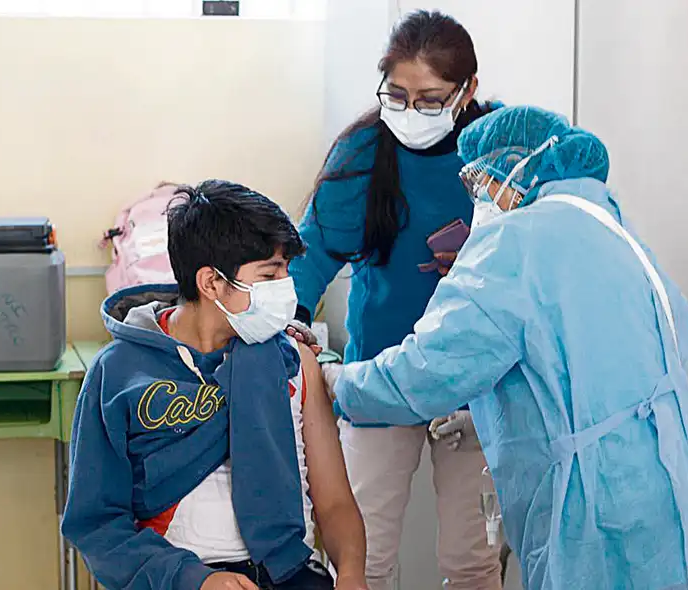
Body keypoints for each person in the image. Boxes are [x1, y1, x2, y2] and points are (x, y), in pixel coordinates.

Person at [324, 106, 688, 590]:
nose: (479, 199)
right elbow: (634, 349)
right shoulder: (608, 223)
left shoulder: (514, 242)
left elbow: (423, 373)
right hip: (670, 471)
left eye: (479, 183)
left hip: (597, 497)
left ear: (514, 169)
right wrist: (495, 415)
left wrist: (336, 380)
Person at [285, 10, 503, 590]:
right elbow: (312, 252)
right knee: (361, 556)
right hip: (381, 374)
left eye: (431, 100)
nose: (412, 112)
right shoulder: (362, 153)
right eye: (398, 95)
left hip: (477, 385)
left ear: (468, 92)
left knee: (472, 560)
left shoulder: (501, 149)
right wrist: (289, 322)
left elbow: (543, 248)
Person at [61, 180, 368, 590]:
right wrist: (196, 580)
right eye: (270, 273)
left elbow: (334, 501)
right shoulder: (118, 374)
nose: (286, 287)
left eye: (286, 270)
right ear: (211, 283)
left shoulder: (294, 361)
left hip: (289, 574)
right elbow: (98, 524)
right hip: (180, 578)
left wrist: (350, 573)